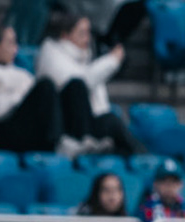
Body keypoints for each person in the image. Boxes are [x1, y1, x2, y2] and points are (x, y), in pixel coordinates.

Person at [0, 24, 107, 155]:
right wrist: (17, 98)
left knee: (76, 85)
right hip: (5, 133)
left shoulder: (20, 72)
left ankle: (84, 139)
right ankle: (58, 142)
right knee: (45, 85)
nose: (15, 49)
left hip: (35, 127)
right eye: (10, 43)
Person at [33, 11, 140, 155]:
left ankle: (143, 162)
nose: (88, 38)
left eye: (89, 32)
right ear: (65, 35)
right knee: (79, 89)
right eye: (82, 33)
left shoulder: (85, 60)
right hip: (65, 126)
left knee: (112, 122)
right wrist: (111, 61)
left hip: (87, 122)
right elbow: (82, 83)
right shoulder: (50, 53)